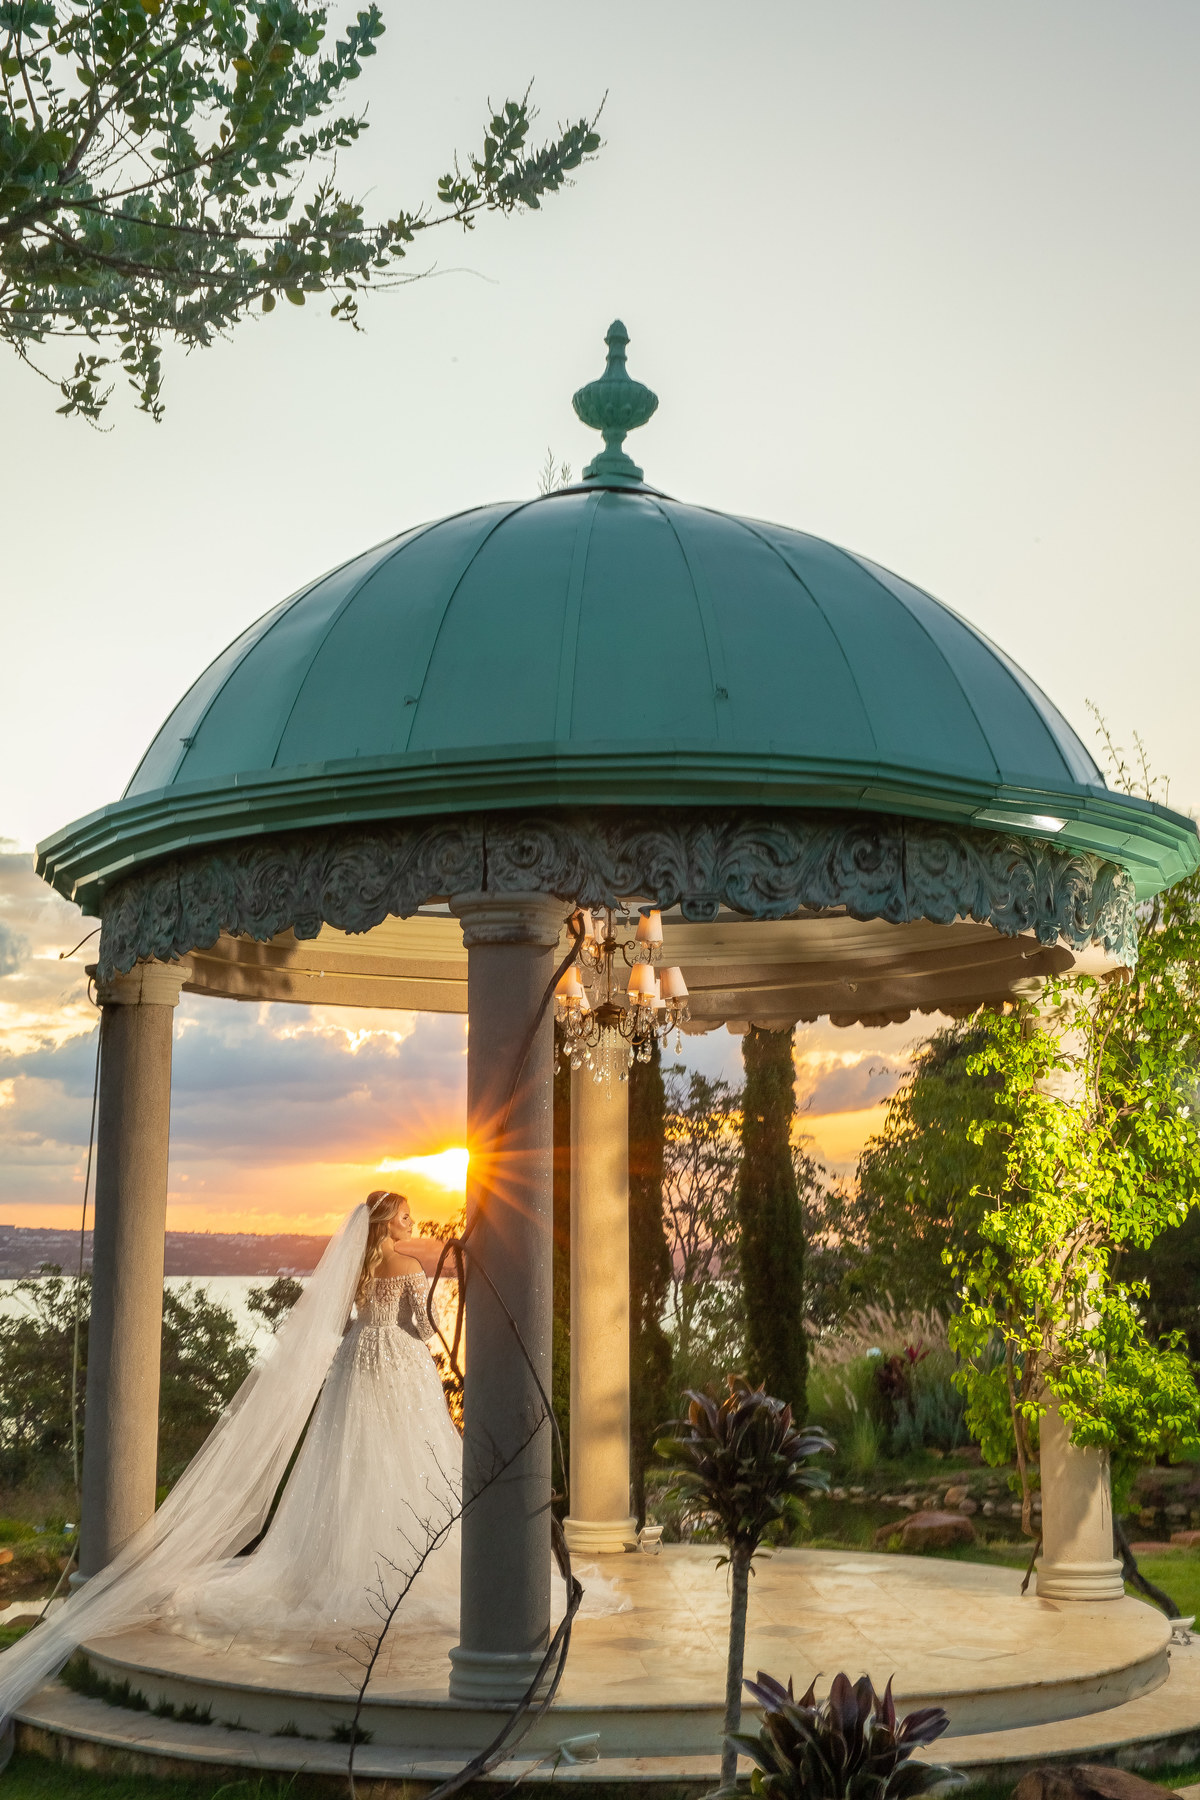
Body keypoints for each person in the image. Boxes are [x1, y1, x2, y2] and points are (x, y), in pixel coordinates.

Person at [0, 1192, 624, 1734]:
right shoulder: (408, 1265)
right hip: (399, 1367)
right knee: (417, 1466)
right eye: (406, 1215)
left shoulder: (354, 1264)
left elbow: (343, 1321)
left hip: (356, 1364)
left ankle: (335, 1561)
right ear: (391, 1221)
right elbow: (424, 1327)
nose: (413, 1223)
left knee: (349, 1468)